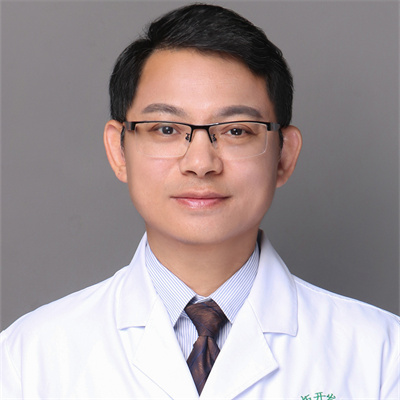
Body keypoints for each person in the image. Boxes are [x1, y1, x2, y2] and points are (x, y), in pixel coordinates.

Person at [1, 3, 398, 399]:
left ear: (284, 155)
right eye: (166, 129)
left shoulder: (381, 356)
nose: (201, 163)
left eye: (237, 131)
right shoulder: (27, 359)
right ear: (119, 150)